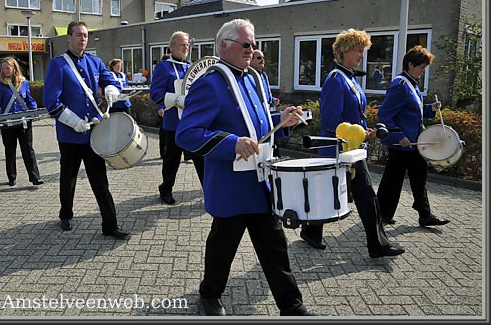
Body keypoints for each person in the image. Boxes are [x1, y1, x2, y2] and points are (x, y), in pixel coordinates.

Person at [176, 18, 314, 317]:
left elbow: (259, 124)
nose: (252, 49)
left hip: (261, 183)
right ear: (225, 46)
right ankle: (210, 294)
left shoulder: (252, 78)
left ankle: (293, 307)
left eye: (254, 44)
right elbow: (186, 134)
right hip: (230, 187)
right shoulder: (209, 84)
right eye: (246, 44)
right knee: (222, 250)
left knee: (275, 249)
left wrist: (283, 120)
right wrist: (231, 143)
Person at [300, 28, 405, 259]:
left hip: (351, 148)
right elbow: (330, 121)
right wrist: (359, 133)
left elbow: (354, 115)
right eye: (358, 51)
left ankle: (310, 231)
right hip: (340, 149)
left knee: (336, 193)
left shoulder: (348, 77)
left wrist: (365, 130)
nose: (361, 55)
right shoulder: (336, 80)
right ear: (344, 51)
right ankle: (377, 244)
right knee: (364, 196)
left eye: (362, 51)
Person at [43, 21, 130, 239]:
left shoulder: (95, 61)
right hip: (70, 135)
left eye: (85, 35)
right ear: (69, 38)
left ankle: (110, 225)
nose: (83, 39)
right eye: (79, 35)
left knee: (100, 181)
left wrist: (111, 88)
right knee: (68, 178)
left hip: (93, 133)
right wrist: (72, 121)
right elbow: (50, 101)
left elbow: (109, 79)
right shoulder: (58, 64)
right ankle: (66, 214)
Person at [376, 46, 450, 227]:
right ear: (410, 65)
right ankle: (381, 213)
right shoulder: (400, 85)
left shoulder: (411, 83)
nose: (423, 71)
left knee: (419, 176)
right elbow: (384, 114)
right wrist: (398, 136)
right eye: (421, 67)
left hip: (415, 141)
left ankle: (424, 214)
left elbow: (411, 111)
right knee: (393, 180)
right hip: (402, 143)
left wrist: (430, 108)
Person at [149, 31, 204, 205]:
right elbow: (155, 93)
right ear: (171, 46)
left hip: (193, 122)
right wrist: (176, 99)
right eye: (182, 44)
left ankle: (209, 190)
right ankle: (165, 189)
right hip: (173, 123)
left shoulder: (190, 67)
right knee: (171, 161)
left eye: (187, 44)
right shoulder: (163, 67)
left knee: (201, 159)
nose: (185, 47)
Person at [0, 56, 43, 187]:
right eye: (4, 68)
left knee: (28, 150)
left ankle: (35, 177)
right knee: (10, 151)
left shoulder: (24, 83)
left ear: (14, 68)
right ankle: (11, 177)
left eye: (8, 68)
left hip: (23, 121)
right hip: (7, 123)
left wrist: (34, 111)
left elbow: (29, 100)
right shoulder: (0, 85)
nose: (6, 70)